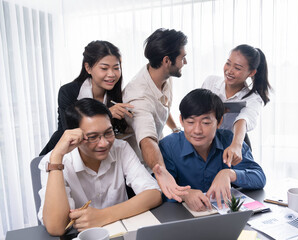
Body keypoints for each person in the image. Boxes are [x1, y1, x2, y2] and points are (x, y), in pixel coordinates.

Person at [38, 98, 161, 236]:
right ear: (74, 136)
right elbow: (56, 227)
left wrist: (103, 216)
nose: (103, 143)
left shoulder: (120, 148)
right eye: (92, 137)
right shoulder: (55, 161)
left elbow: (154, 193)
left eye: (108, 132)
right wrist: (56, 158)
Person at [159, 89, 266, 212]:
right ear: (181, 120)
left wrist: (229, 174)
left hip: (224, 216)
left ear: (219, 122)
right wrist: (185, 194)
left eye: (205, 122)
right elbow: (160, 189)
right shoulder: (168, 146)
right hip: (184, 218)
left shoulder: (229, 141)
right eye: (190, 122)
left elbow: (259, 178)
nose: (197, 130)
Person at [123, 28, 190, 202]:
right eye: (182, 57)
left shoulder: (165, 75)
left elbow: (161, 106)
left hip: (155, 158)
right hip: (138, 167)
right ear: (167, 60)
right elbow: (147, 140)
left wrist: (175, 128)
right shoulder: (138, 96)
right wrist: (162, 172)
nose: (185, 62)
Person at [40, 40, 133, 156]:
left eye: (116, 68)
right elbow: (71, 132)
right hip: (61, 154)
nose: (112, 74)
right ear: (88, 68)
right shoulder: (68, 92)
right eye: (104, 68)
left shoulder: (116, 95)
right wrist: (107, 113)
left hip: (93, 157)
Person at [202, 44, 271, 167]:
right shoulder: (210, 82)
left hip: (233, 144)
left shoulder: (253, 98)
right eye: (228, 63)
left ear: (251, 72)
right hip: (206, 142)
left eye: (237, 68)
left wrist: (236, 145)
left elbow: (243, 119)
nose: (229, 71)